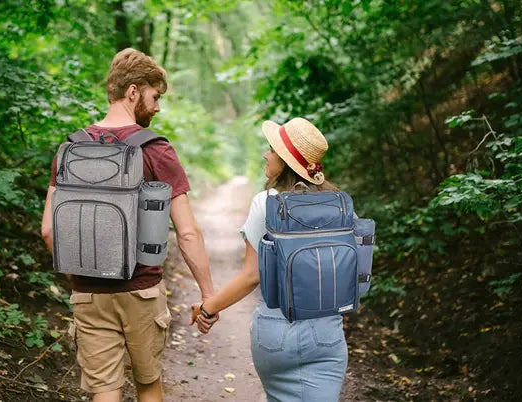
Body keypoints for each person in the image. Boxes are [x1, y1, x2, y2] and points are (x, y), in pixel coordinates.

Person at [41, 48, 217, 402]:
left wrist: (82, 274)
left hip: (88, 294)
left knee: (104, 390)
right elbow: (187, 232)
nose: (157, 107)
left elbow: (48, 230)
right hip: (141, 291)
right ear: (133, 91)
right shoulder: (156, 150)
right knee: (148, 385)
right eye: (154, 97)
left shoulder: (70, 149)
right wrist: (209, 295)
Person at [190, 117, 348, 401]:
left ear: (286, 162)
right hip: (327, 334)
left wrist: (207, 308)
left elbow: (252, 275)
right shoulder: (338, 203)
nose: (267, 154)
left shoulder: (267, 203)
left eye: (272, 150)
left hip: (277, 335)